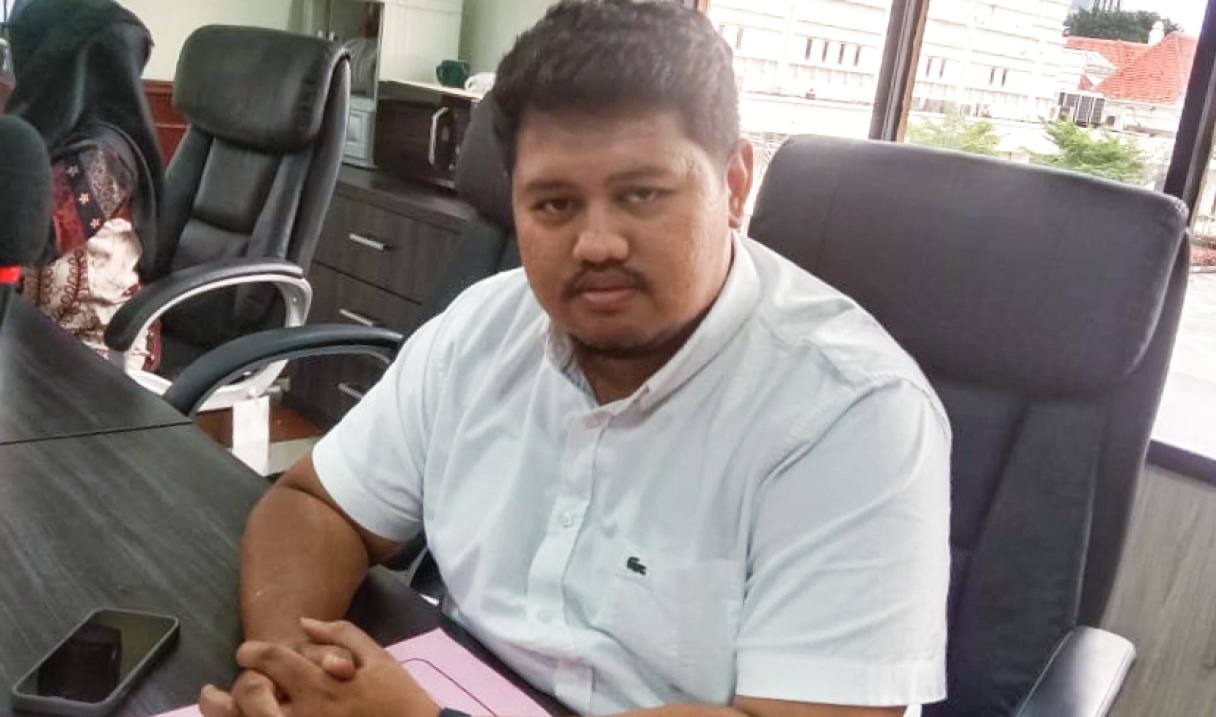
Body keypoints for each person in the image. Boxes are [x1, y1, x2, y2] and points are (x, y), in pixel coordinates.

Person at [200, 2, 952, 717]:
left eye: (643, 194)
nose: (596, 244)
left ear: (732, 186)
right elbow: (316, 505)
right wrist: (291, 669)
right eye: (554, 204)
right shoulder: (484, 326)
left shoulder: (853, 412)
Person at [6, 0, 164, 371]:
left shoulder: (106, 155)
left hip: (98, 349)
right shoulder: (45, 128)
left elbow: (33, 239)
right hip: (32, 332)